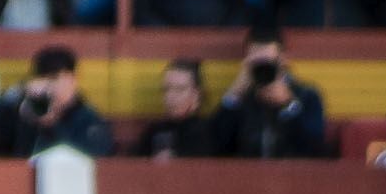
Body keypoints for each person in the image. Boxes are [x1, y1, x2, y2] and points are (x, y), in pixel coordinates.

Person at [0, 44, 116, 158]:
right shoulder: (29, 112)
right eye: (44, 80)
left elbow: (89, 155)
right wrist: (18, 90)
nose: (49, 87)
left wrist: (50, 125)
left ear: (73, 79)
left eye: (55, 79)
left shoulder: (88, 119)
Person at [209, 29, 330, 159]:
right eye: (257, 63)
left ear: (283, 60)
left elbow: (314, 149)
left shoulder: (307, 96)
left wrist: (289, 105)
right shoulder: (241, 99)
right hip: (247, 175)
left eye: (268, 62)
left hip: (293, 175)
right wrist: (235, 93)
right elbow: (215, 145)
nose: (263, 69)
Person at [135, 60, 216, 160]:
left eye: (179, 89)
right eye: (166, 89)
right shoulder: (154, 131)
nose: (170, 96)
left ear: (196, 94)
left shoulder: (209, 131)